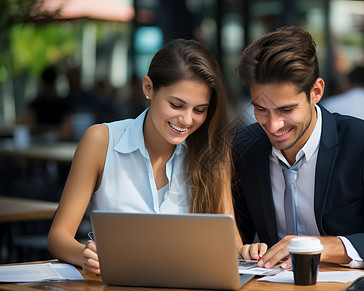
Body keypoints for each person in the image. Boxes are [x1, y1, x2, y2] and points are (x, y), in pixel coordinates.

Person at [47, 39, 263, 275]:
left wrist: (245, 252)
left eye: (199, 110)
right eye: (177, 105)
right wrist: (84, 255)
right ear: (148, 88)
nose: (187, 120)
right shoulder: (101, 141)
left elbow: (230, 241)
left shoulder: (211, 153)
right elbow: (58, 237)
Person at [233, 26, 364, 271]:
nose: (273, 125)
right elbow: (233, 234)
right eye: (261, 109)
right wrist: (243, 248)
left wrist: (326, 246)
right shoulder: (243, 145)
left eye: (286, 109)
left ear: (316, 92)